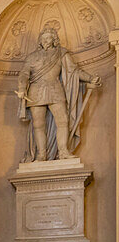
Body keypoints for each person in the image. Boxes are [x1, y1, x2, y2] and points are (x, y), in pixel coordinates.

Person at [16, 27, 99, 161]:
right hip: (36, 91)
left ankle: (63, 151)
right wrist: (21, 88)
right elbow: (24, 73)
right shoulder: (32, 57)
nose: (45, 41)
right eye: (43, 38)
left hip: (55, 89)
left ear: (54, 39)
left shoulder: (61, 53)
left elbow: (74, 71)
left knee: (63, 120)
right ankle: (41, 155)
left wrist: (90, 78)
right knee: (38, 124)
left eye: (48, 37)